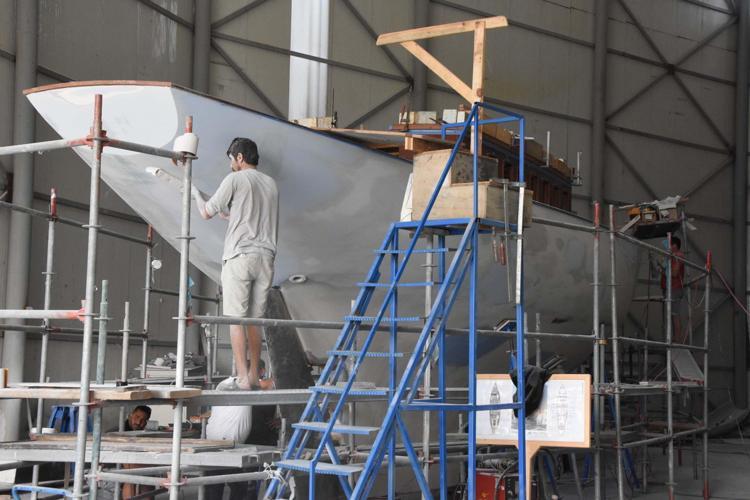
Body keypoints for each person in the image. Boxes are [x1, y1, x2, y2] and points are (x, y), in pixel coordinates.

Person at [192, 137, 279, 390]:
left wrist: (195, 194)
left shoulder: (235, 179)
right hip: (266, 258)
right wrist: (230, 215)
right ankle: (253, 376)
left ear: (240, 157)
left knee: (235, 319)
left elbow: (206, 212)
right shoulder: (271, 184)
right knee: (255, 321)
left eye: (231, 159)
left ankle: (241, 377)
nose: (231, 164)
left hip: (240, 257)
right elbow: (252, 215)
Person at [205, 360, 278, 500]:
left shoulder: (225, 383)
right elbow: (271, 383)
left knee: (221, 485)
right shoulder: (245, 386)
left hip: (221, 443)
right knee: (232, 486)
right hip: (229, 444)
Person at [661, 235, 686, 343]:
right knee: (673, 315)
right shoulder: (673, 257)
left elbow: (675, 273)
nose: (668, 247)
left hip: (675, 288)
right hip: (671, 288)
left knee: (675, 315)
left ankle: (677, 339)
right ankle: (675, 338)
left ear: (674, 246)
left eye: (670, 245)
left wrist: (665, 269)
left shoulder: (678, 256)